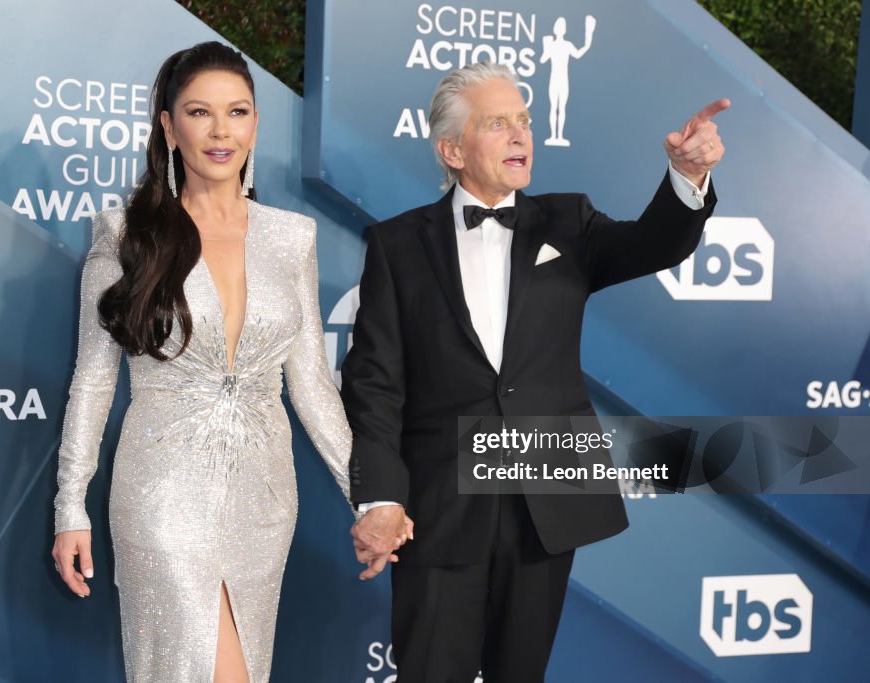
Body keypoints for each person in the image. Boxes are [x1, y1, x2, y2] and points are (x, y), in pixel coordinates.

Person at [343, 61, 727, 681]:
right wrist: (382, 497)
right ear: (452, 149)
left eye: (524, 120)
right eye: (498, 123)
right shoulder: (396, 245)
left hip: (546, 499)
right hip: (441, 504)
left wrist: (687, 175)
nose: (522, 134)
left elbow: (655, 244)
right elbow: (374, 385)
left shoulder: (568, 221)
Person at [50, 42, 361, 683]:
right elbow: (93, 379)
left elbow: (308, 382)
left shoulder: (291, 238)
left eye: (238, 112)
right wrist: (70, 506)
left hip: (265, 495)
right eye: (199, 112)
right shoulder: (124, 234)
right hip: (162, 493)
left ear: (254, 123)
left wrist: (369, 497)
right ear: (168, 126)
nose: (221, 131)